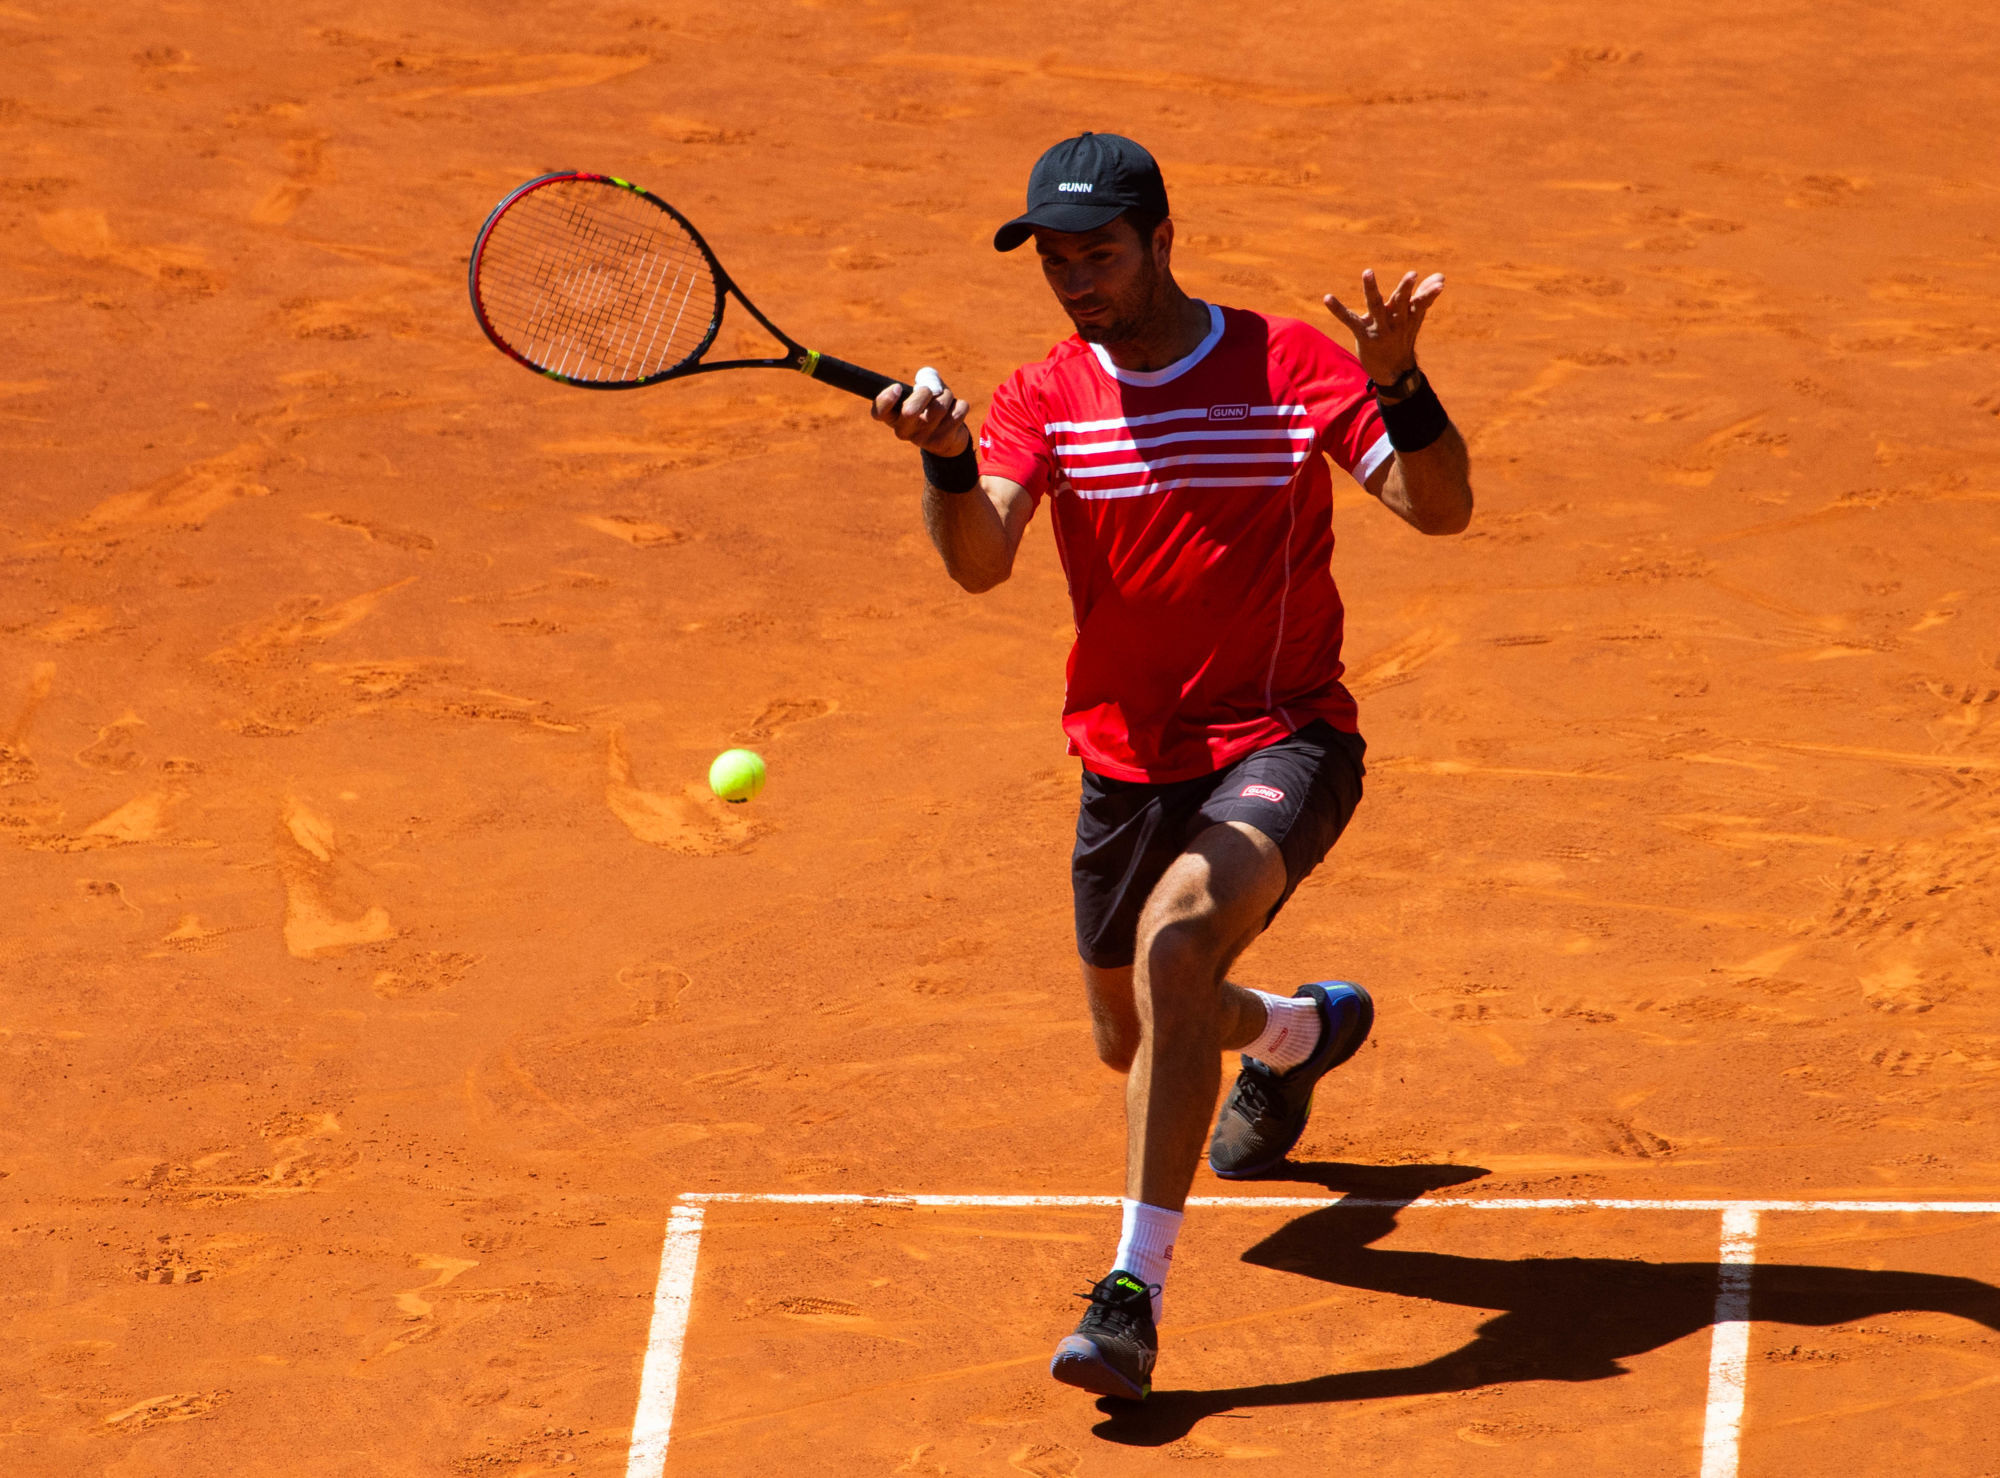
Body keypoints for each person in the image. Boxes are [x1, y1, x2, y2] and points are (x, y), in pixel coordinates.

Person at [869, 132, 1473, 1402]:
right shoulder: (1044, 396)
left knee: (1179, 940)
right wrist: (939, 458)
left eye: (1096, 252)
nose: (1074, 280)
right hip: (1122, 759)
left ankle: (1130, 1290)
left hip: (1281, 733)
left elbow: (1438, 507)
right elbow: (980, 561)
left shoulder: (1284, 365)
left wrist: (1399, 382)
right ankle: (1297, 1031)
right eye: (1052, 259)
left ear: (1160, 239)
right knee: (1134, 1034)